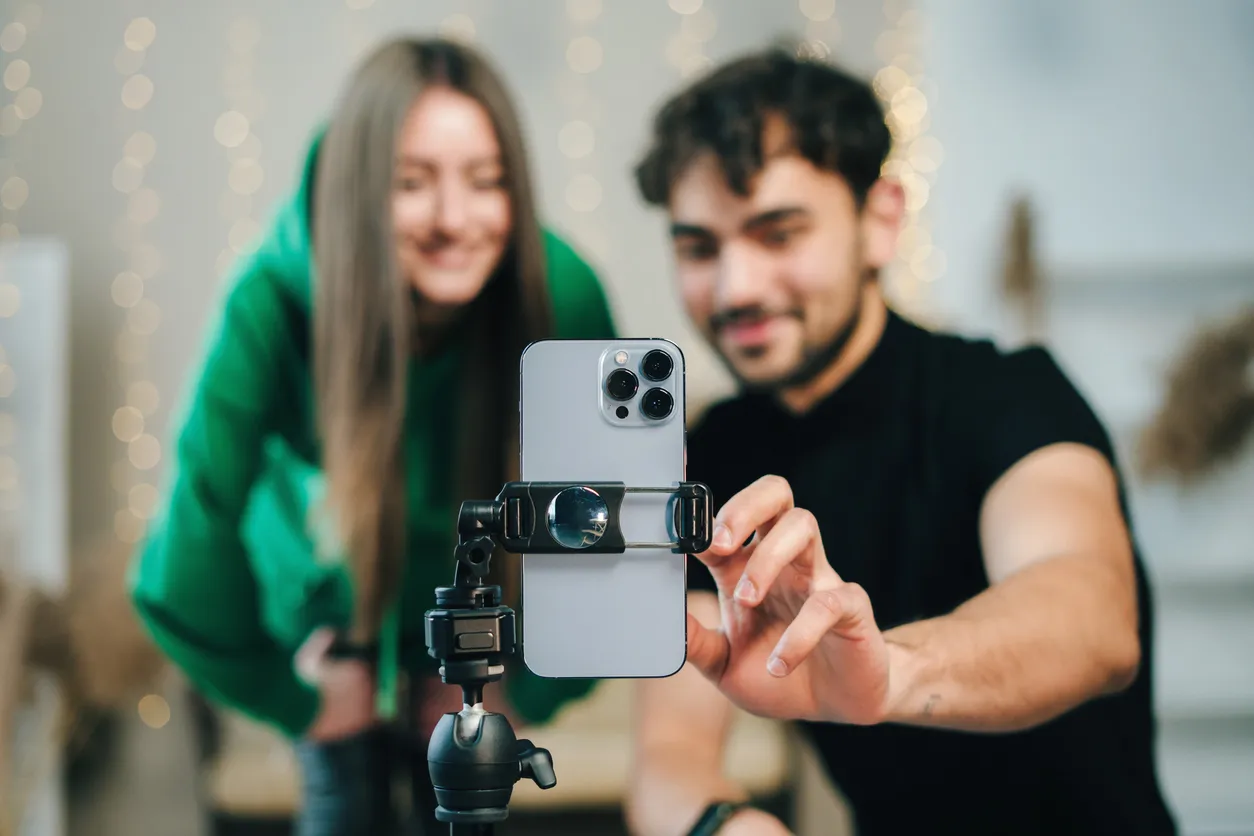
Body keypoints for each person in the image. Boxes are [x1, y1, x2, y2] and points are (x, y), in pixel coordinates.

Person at [624, 47, 1179, 836]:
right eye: (699, 247)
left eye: (777, 233)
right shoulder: (713, 455)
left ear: (881, 218)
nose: (734, 287)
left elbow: (1090, 615)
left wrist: (888, 673)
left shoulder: (1008, 394)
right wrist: (723, 827)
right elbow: (668, 753)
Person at [128, 36, 614, 835]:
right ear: (359, 190)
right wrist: (289, 697)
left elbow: (609, 529)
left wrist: (534, 681)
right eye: (411, 183)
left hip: (472, 640)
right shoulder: (268, 303)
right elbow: (185, 549)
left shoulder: (561, 297)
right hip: (330, 634)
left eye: (487, 182)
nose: (455, 220)